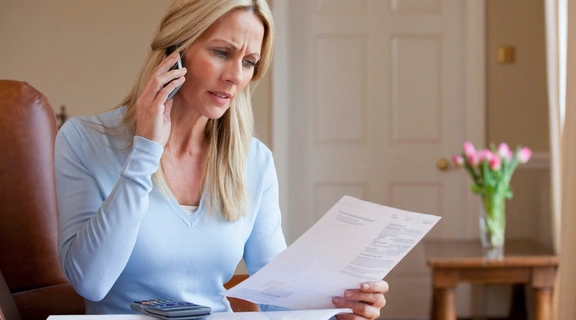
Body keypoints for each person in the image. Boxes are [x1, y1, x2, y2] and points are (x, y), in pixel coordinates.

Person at [54, 0, 389, 319]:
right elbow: (91, 283)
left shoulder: (254, 160)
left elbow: (276, 298)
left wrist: (339, 309)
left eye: (249, 62)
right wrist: (145, 151)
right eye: (221, 52)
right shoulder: (85, 141)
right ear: (176, 53)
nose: (235, 76)